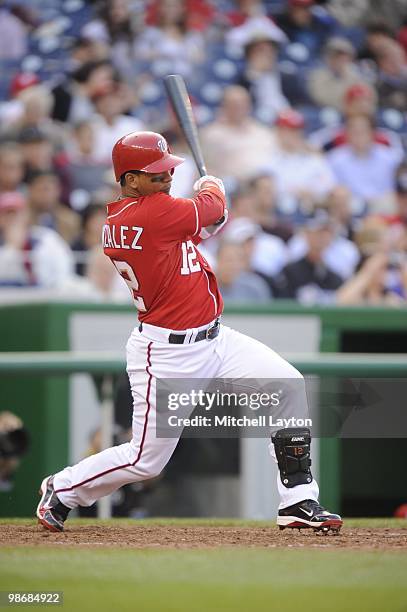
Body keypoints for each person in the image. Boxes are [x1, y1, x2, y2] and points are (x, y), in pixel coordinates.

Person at [36, 130, 342, 534]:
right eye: (155, 174)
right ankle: (63, 488)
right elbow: (210, 208)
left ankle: (299, 501)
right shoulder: (152, 213)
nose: (166, 179)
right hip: (167, 352)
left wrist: (212, 206)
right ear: (129, 180)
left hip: (216, 337)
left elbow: (203, 225)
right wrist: (212, 186)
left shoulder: (133, 216)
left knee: (286, 384)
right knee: (146, 459)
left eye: (167, 172)